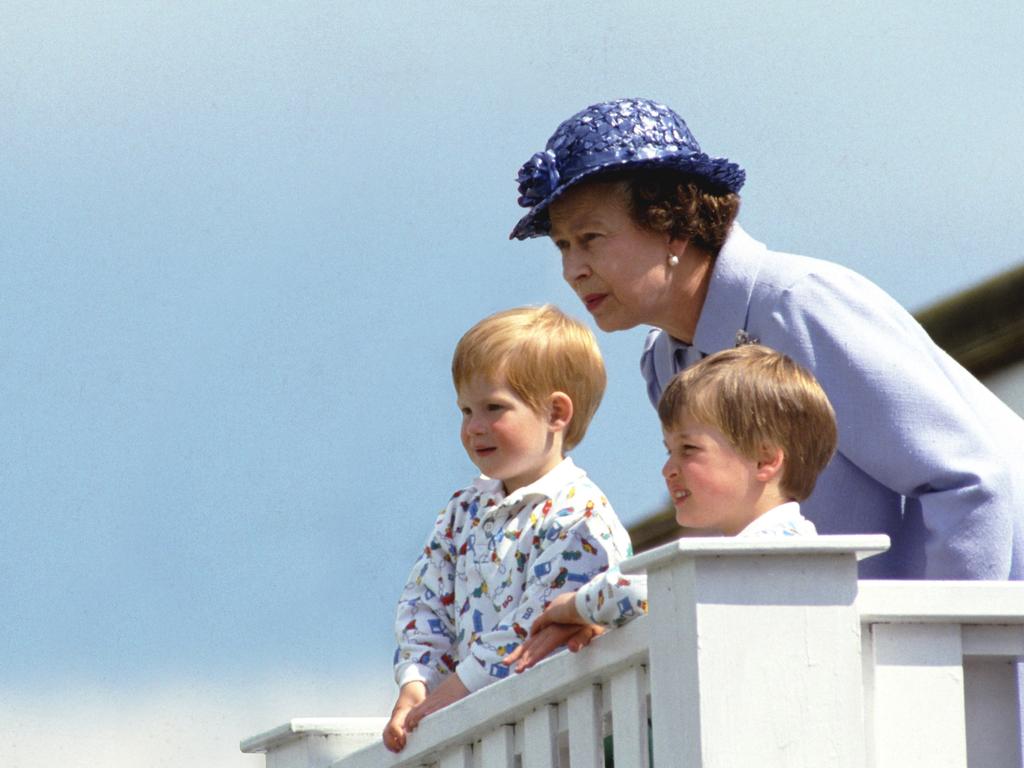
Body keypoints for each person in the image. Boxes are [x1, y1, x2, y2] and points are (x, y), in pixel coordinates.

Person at [509, 97, 1024, 581]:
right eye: (562, 246)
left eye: (591, 238)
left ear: (672, 224)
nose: (572, 270)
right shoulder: (666, 360)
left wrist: (938, 661)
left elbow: (970, 481)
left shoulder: (801, 302)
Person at [382, 305, 632, 753]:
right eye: (465, 410)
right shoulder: (464, 510)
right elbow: (425, 598)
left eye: (494, 407)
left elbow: (539, 619)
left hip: (563, 735)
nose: (474, 427)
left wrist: (455, 689)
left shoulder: (579, 515)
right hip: (482, 735)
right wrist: (418, 682)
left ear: (557, 412)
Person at [505, 344, 837, 670]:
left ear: (764, 460)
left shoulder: (776, 547)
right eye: (669, 451)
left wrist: (573, 607)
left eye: (689, 449)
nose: (668, 469)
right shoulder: (754, 552)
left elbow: (644, 589)